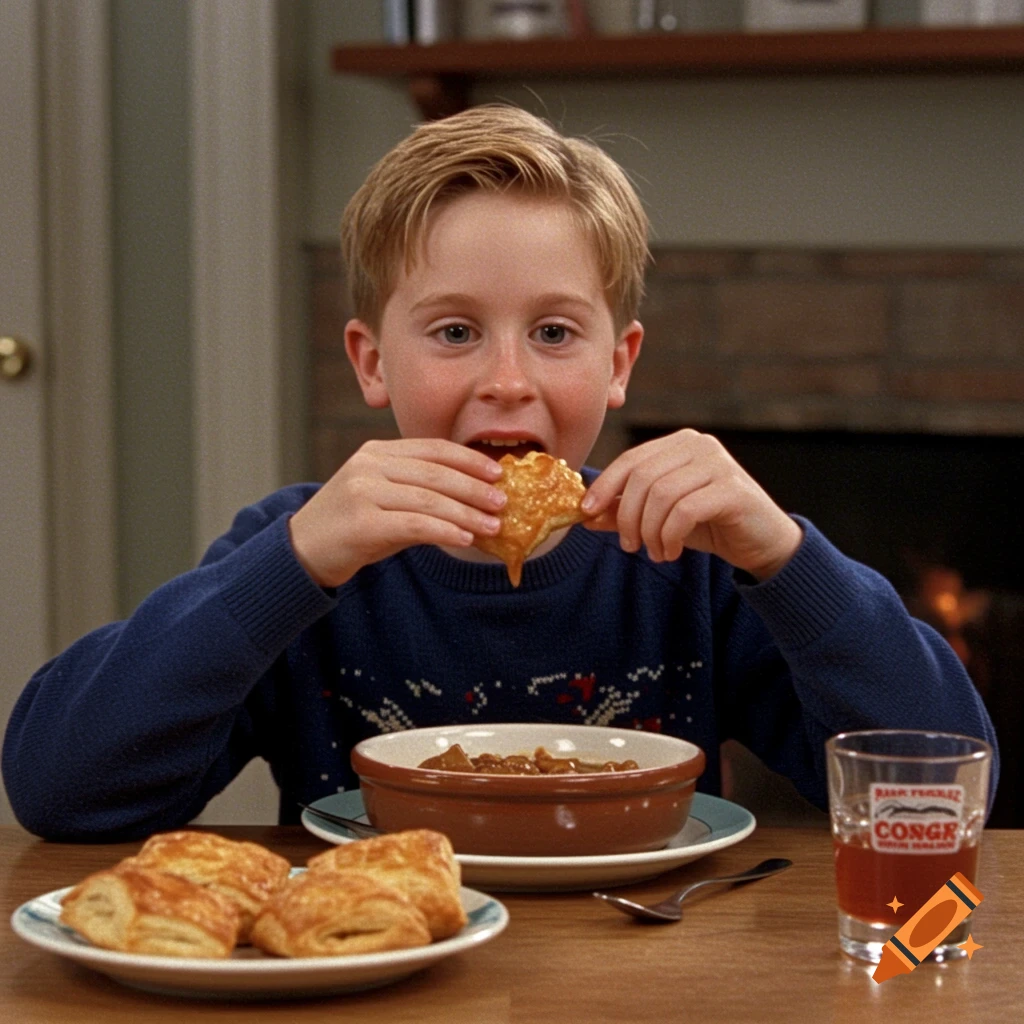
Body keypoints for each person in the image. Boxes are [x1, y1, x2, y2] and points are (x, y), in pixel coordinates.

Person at [2, 105, 997, 841]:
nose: (508, 381)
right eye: (453, 331)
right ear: (369, 360)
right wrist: (289, 565)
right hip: (371, 973)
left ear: (619, 364)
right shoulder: (303, 557)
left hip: (648, 972)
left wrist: (783, 554)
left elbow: (946, 791)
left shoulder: (686, 563)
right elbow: (59, 788)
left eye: (556, 332)